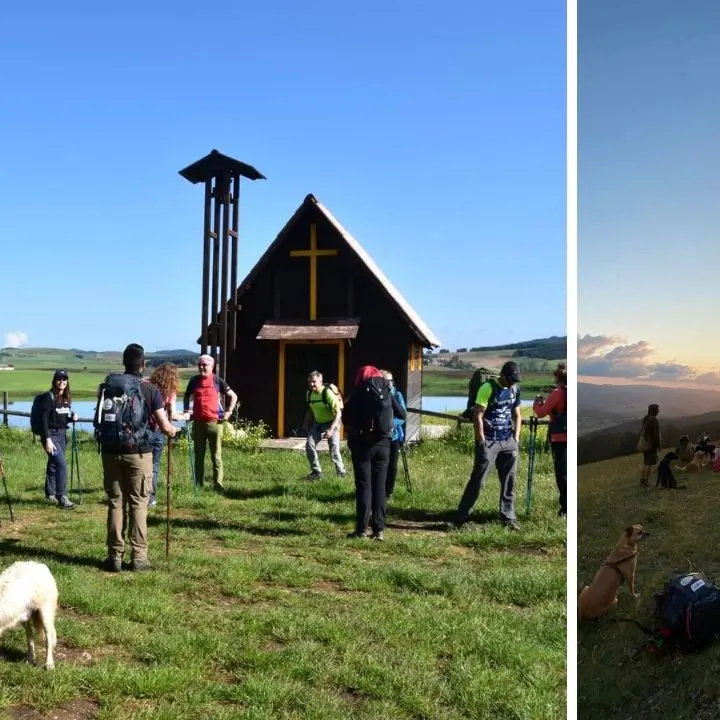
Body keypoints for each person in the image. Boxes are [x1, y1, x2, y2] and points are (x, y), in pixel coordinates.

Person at [96, 343, 177, 572]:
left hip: (111, 452)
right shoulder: (150, 390)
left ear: (124, 363)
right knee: (138, 504)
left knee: (115, 503)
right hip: (139, 453)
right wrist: (172, 430)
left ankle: (114, 556)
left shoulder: (109, 386)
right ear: (143, 364)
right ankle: (139, 557)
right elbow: (164, 424)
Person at [453, 360, 522, 532]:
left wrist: (516, 439)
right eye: (511, 380)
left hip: (508, 441)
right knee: (478, 480)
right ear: (503, 376)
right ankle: (461, 517)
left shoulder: (515, 389)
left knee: (509, 481)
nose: (513, 383)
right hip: (489, 441)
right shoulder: (488, 388)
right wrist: (481, 441)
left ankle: (509, 518)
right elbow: (478, 414)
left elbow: (517, 414)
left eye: (515, 380)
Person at [342, 365, 406, 541]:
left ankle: (361, 530)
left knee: (364, 487)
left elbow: (345, 417)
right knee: (379, 488)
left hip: (363, 445)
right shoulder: (386, 390)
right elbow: (402, 413)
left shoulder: (359, 392)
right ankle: (379, 531)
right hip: (384, 444)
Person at [183, 354, 237, 493]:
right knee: (198, 457)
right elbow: (187, 395)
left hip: (215, 423)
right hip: (198, 424)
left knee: (216, 456)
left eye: (204, 365)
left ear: (212, 366)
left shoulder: (217, 380)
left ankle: (218, 484)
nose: (201, 367)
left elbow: (233, 396)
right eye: (199, 364)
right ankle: (198, 485)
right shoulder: (194, 380)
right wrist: (185, 411)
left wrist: (229, 411)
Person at [38, 369, 78, 509]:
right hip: (51, 436)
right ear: (54, 381)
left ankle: (50, 494)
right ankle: (62, 496)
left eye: (64, 379)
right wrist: (47, 439)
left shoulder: (66, 398)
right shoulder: (48, 397)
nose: (62, 381)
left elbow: (61, 416)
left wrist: (71, 417)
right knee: (61, 464)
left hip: (62, 435)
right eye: (59, 379)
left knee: (54, 464)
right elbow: (43, 420)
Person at [146, 362, 184, 507]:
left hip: (144, 430)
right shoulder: (170, 392)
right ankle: (151, 498)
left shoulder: (147, 385)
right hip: (158, 430)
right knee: (154, 466)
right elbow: (173, 414)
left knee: (141, 465)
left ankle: (138, 495)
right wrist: (185, 416)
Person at [532, 363, 567, 516]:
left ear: (558, 377)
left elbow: (541, 413)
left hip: (560, 438)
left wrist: (537, 403)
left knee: (562, 473)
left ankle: (566, 508)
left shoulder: (558, 393)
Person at [303, 371, 346, 480]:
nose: (311, 384)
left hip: (333, 422)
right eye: (309, 382)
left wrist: (331, 429)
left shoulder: (327, 393)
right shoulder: (309, 394)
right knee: (309, 445)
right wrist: (306, 424)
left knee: (334, 448)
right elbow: (311, 410)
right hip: (318, 423)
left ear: (320, 381)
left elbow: (338, 413)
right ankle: (316, 472)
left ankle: (341, 472)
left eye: (314, 382)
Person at [380, 370, 407, 498]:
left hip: (394, 435)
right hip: (380, 436)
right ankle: (379, 490)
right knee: (380, 465)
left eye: (391, 380)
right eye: (387, 380)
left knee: (393, 466)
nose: (390, 383)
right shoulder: (377, 395)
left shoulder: (397, 395)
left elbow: (403, 416)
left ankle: (389, 491)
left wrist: (391, 424)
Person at [638, 403, 661, 487]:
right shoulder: (653, 419)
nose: (658, 411)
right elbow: (656, 435)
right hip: (651, 445)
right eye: (657, 410)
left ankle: (642, 480)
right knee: (649, 464)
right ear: (653, 410)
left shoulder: (644, 419)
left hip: (644, 444)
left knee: (644, 462)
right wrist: (658, 445)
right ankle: (646, 481)